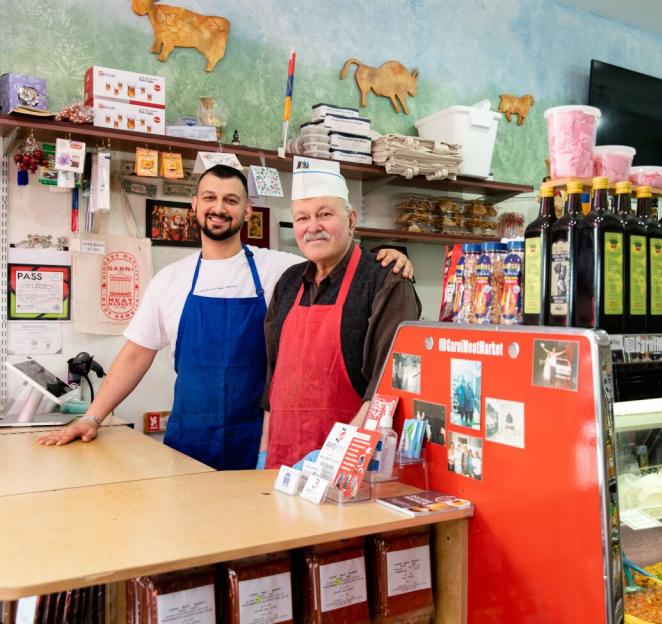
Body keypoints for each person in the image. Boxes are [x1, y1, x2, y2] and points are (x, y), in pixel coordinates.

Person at [37, 163, 413, 470]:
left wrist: (388, 258)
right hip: (188, 444)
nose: (220, 208)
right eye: (210, 198)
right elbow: (136, 354)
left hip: (258, 444)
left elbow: (336, 261)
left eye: (231, 200)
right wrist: (91, 418)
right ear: (195, 207)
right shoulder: (171, 280)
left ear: (246, 211)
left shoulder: (279, 271)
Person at [260, 158, 420, 468]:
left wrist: (332, 462)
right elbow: (273, 384)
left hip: (348, 468)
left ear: (351, 219)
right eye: (302, 218)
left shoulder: (385, 279)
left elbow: (387, 386)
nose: (313, 227)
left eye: (325, 214)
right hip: (280, 464)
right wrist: (264, 452)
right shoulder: (289, 282)